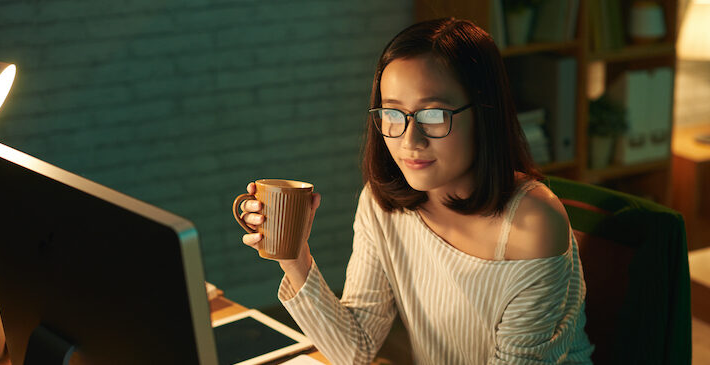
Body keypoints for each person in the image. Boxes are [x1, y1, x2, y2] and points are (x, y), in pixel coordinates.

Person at [238, 18, 594, 364]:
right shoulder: (382, 204)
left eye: (434, 115)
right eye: (392, 114)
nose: (410, 141)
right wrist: (294, 258)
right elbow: (353, 350)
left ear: (484, 113)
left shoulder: (535, 222)